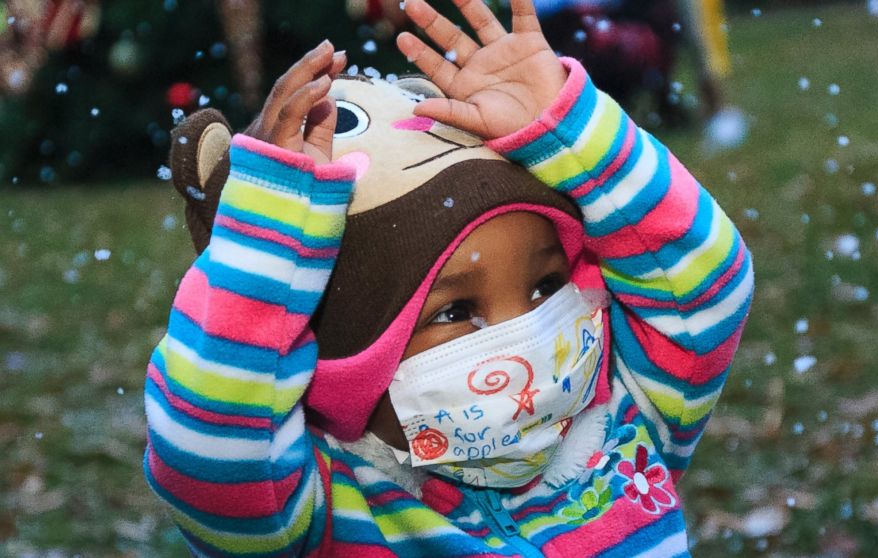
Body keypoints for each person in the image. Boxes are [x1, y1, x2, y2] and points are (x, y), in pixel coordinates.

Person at [144, 0, 754, 555]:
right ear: (347, 352)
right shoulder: (320, 513)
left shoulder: (626, 421)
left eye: (546, 286)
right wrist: (272, 237)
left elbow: (703, 282)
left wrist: (572, 134)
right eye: (455, 311)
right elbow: (209, 442)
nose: (526, 336)